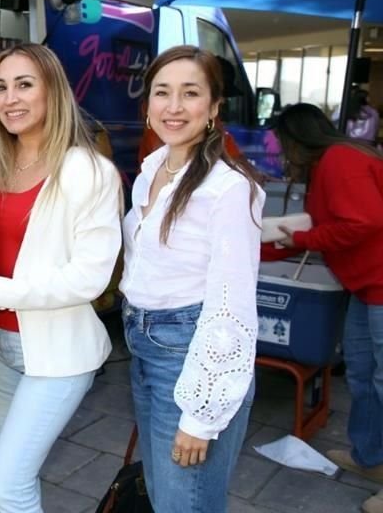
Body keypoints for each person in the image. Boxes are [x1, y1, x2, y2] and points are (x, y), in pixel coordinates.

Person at [0, 43, 123, 513]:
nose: (10, 99)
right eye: (0, 88)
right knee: (18, 474)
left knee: (6, 484)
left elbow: (89, 277)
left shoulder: (89, 171)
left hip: (57, 353)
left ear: (54, 92)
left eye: (24, 84)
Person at [120, 45, 263, 513]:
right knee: (165, 495)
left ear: (214, 108)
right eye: (162, 93)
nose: (174, 107)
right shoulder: (150, 170)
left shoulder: (228, 187)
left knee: (185, 501)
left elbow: (231, 304)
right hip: (142, 343)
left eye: (190, 93)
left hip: (189, 351)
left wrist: (202, 416)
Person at [264, 103, 383, 513]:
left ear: (299, 139)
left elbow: (364, 222)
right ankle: (371, 457)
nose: (283, 154)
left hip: (380, 285)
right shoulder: (331, 163)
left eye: (284, 144)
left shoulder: (340, 160)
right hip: (366, 287)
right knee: (365, 376)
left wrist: (304, 240)